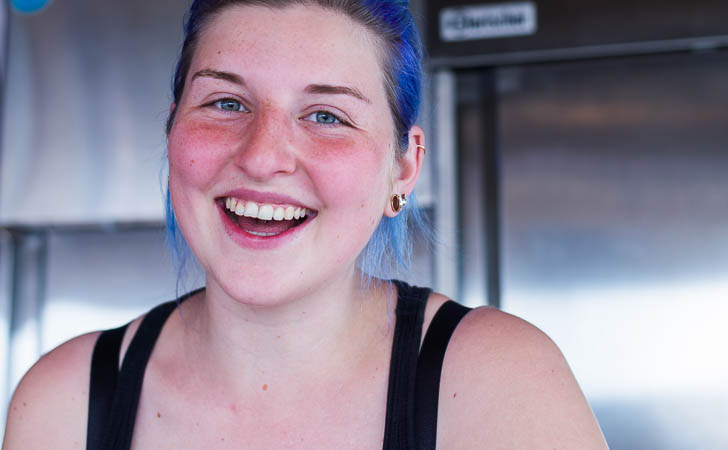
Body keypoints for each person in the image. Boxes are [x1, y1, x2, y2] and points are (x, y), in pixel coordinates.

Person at [3, 0, 608, 448]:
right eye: (226, 103)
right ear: (172, 130)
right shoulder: (63, 404)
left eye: (326, 115)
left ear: (403, 168)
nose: (262, 157)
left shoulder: (499, 386)